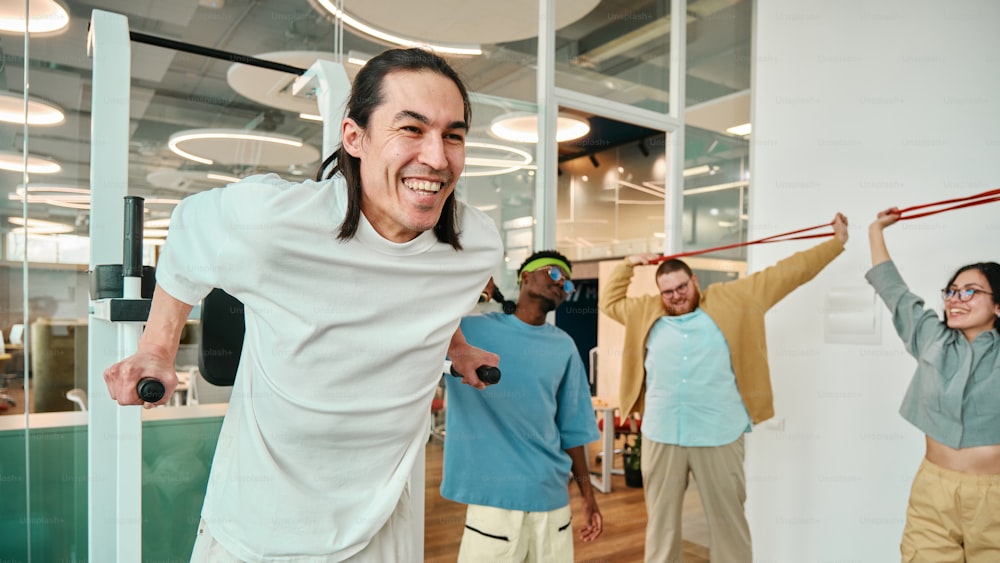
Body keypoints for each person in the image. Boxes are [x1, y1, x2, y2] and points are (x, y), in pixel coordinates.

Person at [102, 48, 503, 561]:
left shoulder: (477, 244)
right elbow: (187, 232)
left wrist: (459, 346)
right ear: (354, 137)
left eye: (453, 135)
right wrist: (156, 346)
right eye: (411, 129)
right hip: (260, 522)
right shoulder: (273, 222)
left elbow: (432, 292)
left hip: (382, 519)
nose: (437, 157)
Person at [599, 213, 849, 562]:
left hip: (719, 433)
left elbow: (789, 272)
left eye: (682, 287)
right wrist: (627, 264)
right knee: (661, 526)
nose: (676, 296)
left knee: (728, 524)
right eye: (668, 291)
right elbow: (609, 302)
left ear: (694, 280)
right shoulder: (646, 311)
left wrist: (835, 242)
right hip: (661, 433)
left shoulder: (736, 298)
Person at [441, 251, 602, 562]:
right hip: (494, 501)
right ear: (525, 277)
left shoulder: (564, 345)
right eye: (555, 274)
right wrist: (472, 288)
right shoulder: (469, 332)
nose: (562, 283)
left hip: (551, 498)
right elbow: (423, 311)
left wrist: (588, 497)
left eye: (567, 282)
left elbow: (573, 428)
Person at [866, 208, 1000, 562]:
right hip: (933, 492)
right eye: (952, 291)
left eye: (971, 291)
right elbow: (893, 289)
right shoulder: (931, 338)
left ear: (998, 305)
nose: (956, 299)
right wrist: (876, 230)